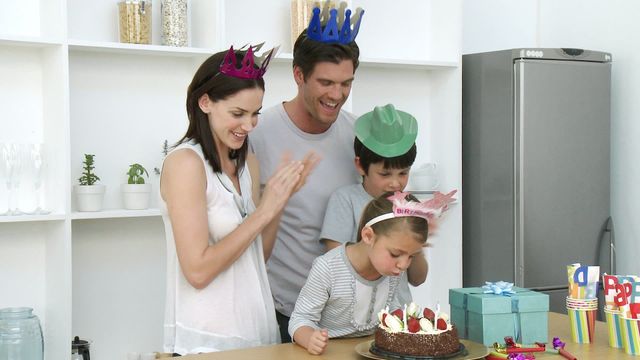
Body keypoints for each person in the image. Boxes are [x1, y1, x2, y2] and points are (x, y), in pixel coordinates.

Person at [159, 45, 316, 355]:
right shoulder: (186, 164)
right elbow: (198, 271)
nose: (249, 125)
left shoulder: (247, 163)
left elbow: (259, 255)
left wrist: (280, 200)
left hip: (259, 334)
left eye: (255, 113)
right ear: (205, 102)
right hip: (207, 343)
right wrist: (264, 210)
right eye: (238, 113)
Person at [249, 2, 365, 343]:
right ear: (299, 75)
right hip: (282, 312)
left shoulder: (357, 135)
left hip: (346, 313)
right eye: (326, 82)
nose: (337, 95)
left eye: (346, 83)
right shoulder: (258, 133)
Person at [289, 192, 440, 355]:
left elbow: (391, 309)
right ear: (368, 236)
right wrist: (310, 338)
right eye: (396, 254)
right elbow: (300, 318)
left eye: (411, 256)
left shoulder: (391, 269)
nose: (403, 264)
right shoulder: (328, 268)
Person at [320, 103, 428, 306]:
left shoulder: (410, 206)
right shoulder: (345, 201)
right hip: (354, 320)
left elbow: (418, 278)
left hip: (399, 318)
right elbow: (334, 271)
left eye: (403, 173)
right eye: (385, 174)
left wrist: (417, 247)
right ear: (360, 165)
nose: (395, 183)